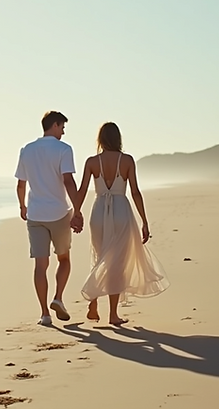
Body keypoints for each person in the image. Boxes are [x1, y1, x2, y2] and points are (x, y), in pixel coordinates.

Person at [74, 122, 169, 326]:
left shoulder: (91, 161)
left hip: (98, 211)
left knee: (101, 257)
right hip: (121, 211)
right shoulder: (126, 160)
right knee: (116, 263)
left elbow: (82, 190)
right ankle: (113, 314)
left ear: (100, 139)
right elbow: (135, 191)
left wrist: (77, 212)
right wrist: (144, 220)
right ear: (118, 138)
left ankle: (93, 301)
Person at [15, 111, 84, 326]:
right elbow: (68, 181)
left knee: (40, 264)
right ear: (54, 125)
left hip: (35, 214)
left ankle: (44, 313)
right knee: (63, 259)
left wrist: (22, 206)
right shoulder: (64, 149)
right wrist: (78, 210)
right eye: (62, 126)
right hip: (58, 213)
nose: (63, 131)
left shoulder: (27, 150)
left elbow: (20, 183)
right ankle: (58, 298)